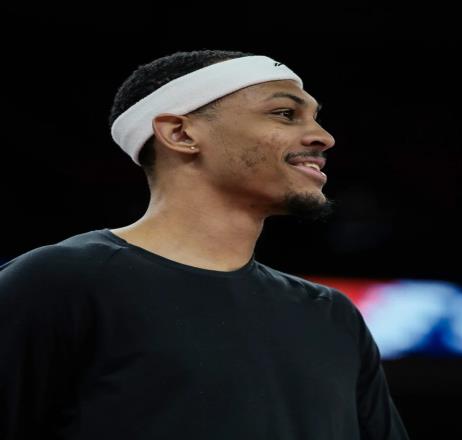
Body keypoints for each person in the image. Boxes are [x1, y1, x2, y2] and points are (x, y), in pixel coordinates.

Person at [0, 49, 410, 439]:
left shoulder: (332, 315)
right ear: (180, 133)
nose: (324, 137)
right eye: (285, 114)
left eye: (315, 118)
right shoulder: (59, 282)